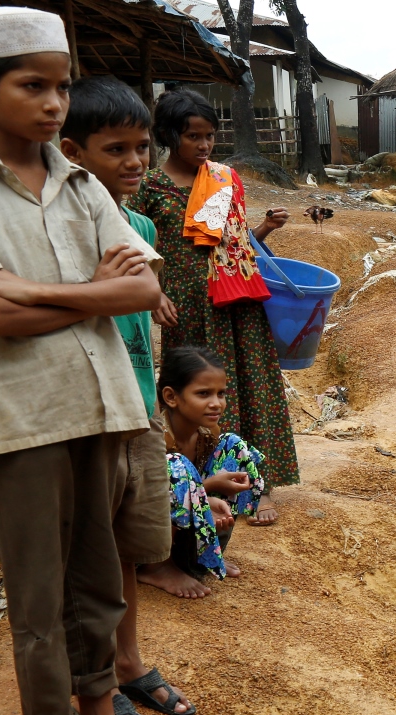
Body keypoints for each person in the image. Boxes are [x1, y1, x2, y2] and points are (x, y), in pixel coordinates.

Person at [0, 8, 162, 715]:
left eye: (62, 86)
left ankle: (101, 710)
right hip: (19, 420)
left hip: (104, 407)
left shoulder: (82, 186)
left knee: (99, 586)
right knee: (39, 605)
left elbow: (143, 288)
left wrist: (36, 290)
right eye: (33, 86)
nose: (54, 103)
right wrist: (94, 295)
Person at [59, 76, 195, 715]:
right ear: (73, 152)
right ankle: (95, 683)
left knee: (128, 545)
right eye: (117, 149)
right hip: (89, 411)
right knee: (87, 554)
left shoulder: (139, 223)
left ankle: (130, 660)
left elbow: (139, 308)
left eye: (142, 147)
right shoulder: (61, 229)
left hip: (138, 403)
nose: (136, 162)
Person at [127, 89, 298, 536]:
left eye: (209, 136)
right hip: (187, 308)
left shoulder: (222, 178)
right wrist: (153, 294)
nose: (204, 146)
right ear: (169, 136)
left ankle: (257, 483)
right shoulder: (149, 188)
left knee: (250, 384)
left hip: (236, 300)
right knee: (195, 399)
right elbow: (136, 246)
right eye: (193, 137)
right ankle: (207, 486)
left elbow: (233, 242)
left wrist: (265, 228)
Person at [147, 347, 266, 583]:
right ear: (171, 397)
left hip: (186, 510)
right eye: (203, 394)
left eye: (220, 393)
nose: (216, 403)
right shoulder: (155, 437)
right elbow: (150, 493)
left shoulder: (207, 432)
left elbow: (192, 486)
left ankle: (209, 553)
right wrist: (208, 489)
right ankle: (157, 566)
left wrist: (206, 493)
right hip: (146, 530)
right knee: (175, 464)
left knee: (234, 446)